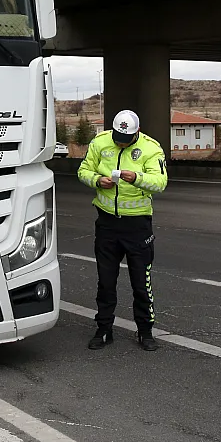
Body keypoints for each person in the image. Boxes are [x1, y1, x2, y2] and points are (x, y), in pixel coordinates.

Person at [77, 110, 168, 351]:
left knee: (141, 282)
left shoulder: (151, 148)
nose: (120, 142)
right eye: (117, 136)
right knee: (106, 282)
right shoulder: (100, 142)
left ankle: (145, 331)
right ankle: (104, 329)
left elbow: (160, 183)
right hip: (107, 224)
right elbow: (83, 171)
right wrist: (97, 180)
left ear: (137, 132)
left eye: (125, 138)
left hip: (138, 226)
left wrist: (136, 177)